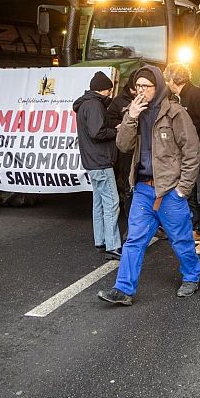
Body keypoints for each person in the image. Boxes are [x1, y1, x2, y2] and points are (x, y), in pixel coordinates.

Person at [97, 65, 200, 306]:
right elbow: (123, 145)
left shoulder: (175, 113)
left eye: (146, 86)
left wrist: (182, 189)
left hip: (169, 190)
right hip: (143, 189)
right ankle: (123, 289)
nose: (141, 91)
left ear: (158, 87)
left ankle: (191, 277)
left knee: (181, 239)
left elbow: (191, 152)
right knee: (134, 240)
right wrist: (131, 117)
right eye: (138, 87)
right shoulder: (134, 112)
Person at [163, 63, 200, 255]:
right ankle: (198, 230)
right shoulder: (176, 98)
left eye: (167, 79)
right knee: (192, 195)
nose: (166, 83)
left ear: (173, 80)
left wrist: (199, 150)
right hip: (187, 157)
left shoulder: (197, 95)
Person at [72, 71, 121, 260]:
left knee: (98, 202)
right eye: (109, 90)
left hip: (91, 161)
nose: (110, 93)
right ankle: (113, 245)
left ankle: (100, 240)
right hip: (100, 161)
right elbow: (97, 132)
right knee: (112, 203)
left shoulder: (84, 104)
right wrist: (115, 131)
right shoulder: (94, 105)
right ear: (105, 89)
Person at [106, 73, 136, 242]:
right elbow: (109, 120)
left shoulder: (147, 97)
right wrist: (119, 125)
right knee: (129, 189)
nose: (137, 92)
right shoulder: (118, 102)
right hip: (126, 154)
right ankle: (132, 229)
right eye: (134, 89)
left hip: (144, 151)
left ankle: (156, 225)